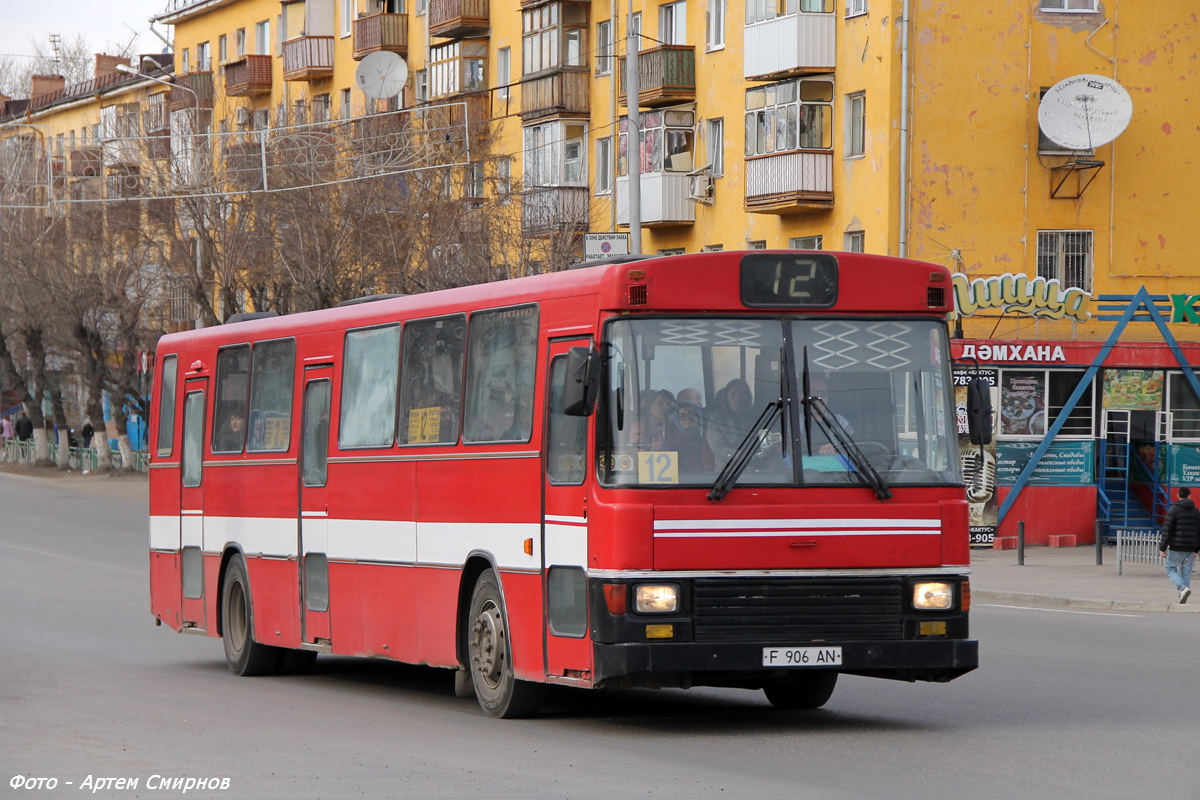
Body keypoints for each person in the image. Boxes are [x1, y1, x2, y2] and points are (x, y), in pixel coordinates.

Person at [1159, 486, 1200, 604]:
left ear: (1178, 495)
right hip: (1190, 547)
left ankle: (1183, 588)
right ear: (1189, 495)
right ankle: (1183, 594)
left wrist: (1163, 547)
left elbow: (1167, 529)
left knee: (1170, 568)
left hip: (1176, 546)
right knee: (1186, 571)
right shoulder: (1196, 511)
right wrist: (1197, 549)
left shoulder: (1174, 509)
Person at [707, 379, 757, 462]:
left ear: (747, 397)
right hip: (727, 471)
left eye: (741, 394)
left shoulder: (757, 415)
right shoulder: (717, 418)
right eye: (733, 394)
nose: (737, 398)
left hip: (758, 469)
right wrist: (742, 456)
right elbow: (718, 447)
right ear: (727, 397)